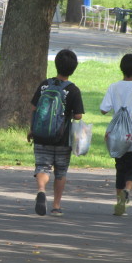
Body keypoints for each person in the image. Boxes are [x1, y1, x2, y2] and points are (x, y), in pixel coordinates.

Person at [27, 49, 85, 216]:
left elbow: (34, 108)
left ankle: (41, 189)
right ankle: (56, 206)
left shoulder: (45, 85)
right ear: (74, 68)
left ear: (56, 64)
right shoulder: (73, 90)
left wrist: (32, 129)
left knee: (42, 167)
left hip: (41, 136)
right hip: (63, 139)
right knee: (60, 171)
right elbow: (78, 115)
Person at [100, 53, 132, 216]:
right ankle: (128, 190)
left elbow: (104, 109)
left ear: (121, 68)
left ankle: (118, 202)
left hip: (117, 137)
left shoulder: (114, 87)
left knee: (120, 168)